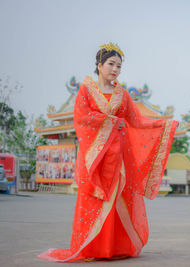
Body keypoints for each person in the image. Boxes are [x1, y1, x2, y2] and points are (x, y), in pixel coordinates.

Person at [38, 43, 178, 262]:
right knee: (95, 200)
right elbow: (82, 118)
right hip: (96, 158)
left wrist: (163, 125)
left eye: (119, 66)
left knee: (118, 200)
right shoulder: (86, 89)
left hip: (119, 158)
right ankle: (93, 249)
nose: (115, 69)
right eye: (111, 64)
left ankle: (115, 247)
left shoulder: (122, 94)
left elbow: (136, 120)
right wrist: (111, 121)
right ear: (99, 65)